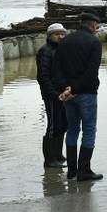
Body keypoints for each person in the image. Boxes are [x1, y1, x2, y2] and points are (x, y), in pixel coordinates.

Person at [53, 12, 104, 182]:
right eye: (96, 25)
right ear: (92, 24)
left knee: (72, 130)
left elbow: (56, 68)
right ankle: (84, 171)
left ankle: (71, 171)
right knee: (89, 130)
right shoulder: (94, 42)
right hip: (87, 93)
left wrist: (66, 89)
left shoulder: (65, 41)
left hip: (68, 95)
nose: (97, 28)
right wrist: (74, 89)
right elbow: (91, 71)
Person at [36, 23, 68, 168]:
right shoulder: (45, 51)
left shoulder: (60, 50)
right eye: (57, 34)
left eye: (62, 34)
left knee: (63, 124)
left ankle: (58, 154)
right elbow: (43, 76)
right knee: (53, 125)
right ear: (50, 36)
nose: (60, 37)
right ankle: (49, 160)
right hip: (52, 95)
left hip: (63, 94)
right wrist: (54, 94)